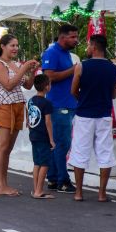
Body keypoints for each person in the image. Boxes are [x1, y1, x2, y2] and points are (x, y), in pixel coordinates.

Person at [70, 34, 116, 202]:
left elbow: (73, 91)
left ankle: (78, 192)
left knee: (80, 152)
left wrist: (83, 99)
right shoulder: (114, 68)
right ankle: (102, 193)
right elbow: (114, 94)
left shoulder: (81, 66)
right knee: (105, 153)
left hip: (84, 114)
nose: (87, 48)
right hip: (104, 114)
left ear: (94, 47)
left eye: (88, 45)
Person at [0, 34, 37, 196]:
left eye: (17, 45)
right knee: (2, 146)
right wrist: (24, 68)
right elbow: (8, 85)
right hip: (3, 106)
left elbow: (29, 85)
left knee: (8, 149)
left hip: (17, 106)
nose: (15, 48)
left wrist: (32, 70)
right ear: (2, 46)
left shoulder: (16, 64)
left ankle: (4, 183)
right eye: (12, 45)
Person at [42, 24, 79, 194]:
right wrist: (74, 70)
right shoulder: (52, 52)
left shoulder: (66, 54)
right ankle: (62, 180)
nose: (76, 40)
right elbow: (48, 76)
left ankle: (53, 178)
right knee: (62, 143)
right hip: (58, 105)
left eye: (76, 36)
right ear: (62, 37)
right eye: (72, 37)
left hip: (67, 103)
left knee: (59, 143)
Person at [27, 74, 55, 199]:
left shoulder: (31, 100)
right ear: (46, 87)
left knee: (37, 163)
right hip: (43, 137)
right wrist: (51, 140)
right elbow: (48, 122)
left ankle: (36, 189)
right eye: (49, 83)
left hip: (33, 135)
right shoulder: (47, 103)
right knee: (45, 163)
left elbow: (27, 114)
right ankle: (39, 191)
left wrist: (29, 124)